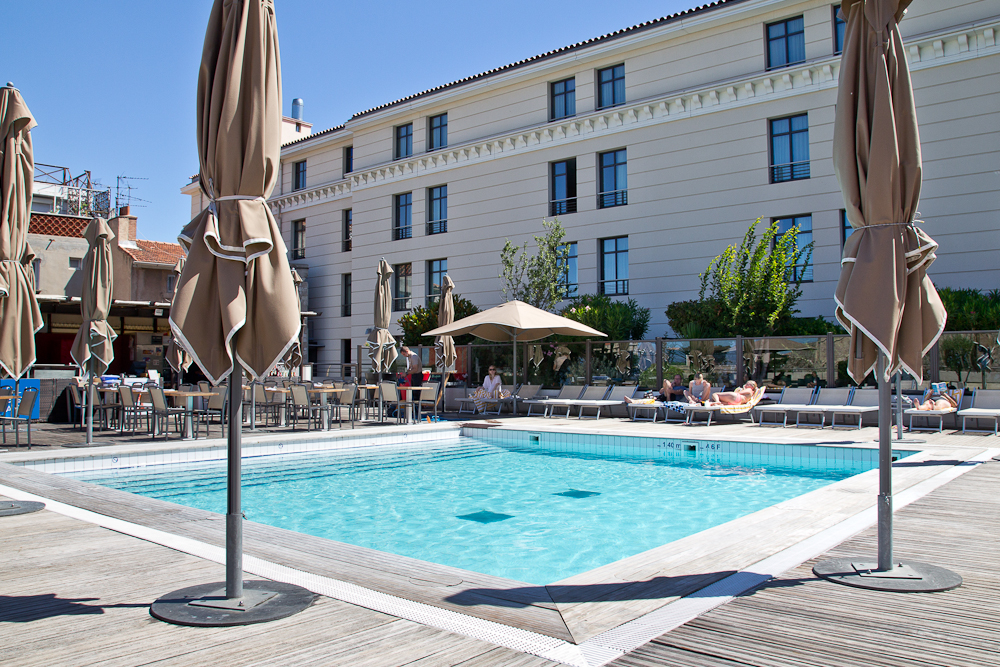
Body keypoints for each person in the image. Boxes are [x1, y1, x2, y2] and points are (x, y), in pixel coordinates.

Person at [399, 346, 424, 418]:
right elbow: (411, 368)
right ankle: (413, 410)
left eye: (404, 354)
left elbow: (415, 369)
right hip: (413, 376)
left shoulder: (413, 356)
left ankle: (417, 411)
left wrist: (407, 373)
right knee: (412, 393)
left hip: (417, 375)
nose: (404, 356)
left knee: (416, 394)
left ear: (407, 351)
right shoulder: (409, 357)